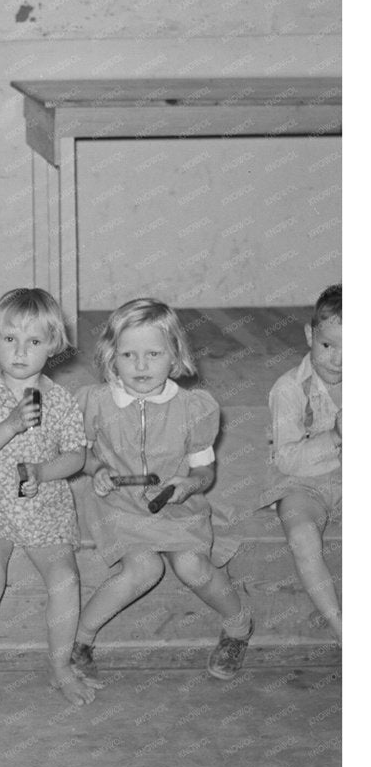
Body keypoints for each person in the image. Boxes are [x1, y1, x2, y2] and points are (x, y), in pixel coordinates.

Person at [72, 298, 252, 680]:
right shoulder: (96, 403)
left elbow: (205, 471)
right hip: (118, 506)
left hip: (174, 504)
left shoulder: (193, 408)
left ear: (174, 356)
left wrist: (190, 484)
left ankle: (238, 625)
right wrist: (96, 468)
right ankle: (79, 640)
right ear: (111, 357)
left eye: (153, 354)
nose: (140, 366)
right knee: (144, 568)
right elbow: (80, 456)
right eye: (128, 355)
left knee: (192, 564)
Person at [0, 288, 95, 706]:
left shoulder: (61, 400)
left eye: (33, 341)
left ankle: (60, 666)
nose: (19, 351)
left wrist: (42, 472)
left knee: (66, 579)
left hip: (43, 500)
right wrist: (11, 424)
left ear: (52, 345)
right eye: (9, 338)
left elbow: (76, 456)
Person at [260, 284, 341, 638]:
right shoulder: (288, 389)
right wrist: (335, 436)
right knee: (302, 535)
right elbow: (287, 461)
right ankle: (341, 628)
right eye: (328, 346)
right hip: (302, 483)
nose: (339, 360)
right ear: (310, 336)